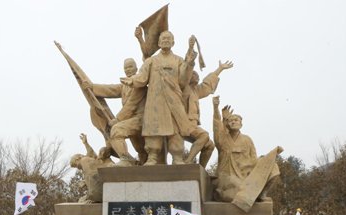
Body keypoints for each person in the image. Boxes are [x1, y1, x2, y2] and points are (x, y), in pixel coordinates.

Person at [123, 30, 207, 165]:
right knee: (154, 129)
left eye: (168, 39)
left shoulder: (179, 60)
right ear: (158, 42)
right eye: (163, 38)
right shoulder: (151, 61)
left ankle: (177, 158)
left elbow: (183, 81)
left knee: (175, 131)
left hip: (173, 101)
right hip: (155, 102)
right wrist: (132, 80)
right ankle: (152, 157)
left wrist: (189, 63)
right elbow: (142, 77)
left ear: (173, 42)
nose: (165, 40)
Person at [211, 96, 282, 211]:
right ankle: (252, 193)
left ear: (241, 124)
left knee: (273, 167)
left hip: (245, 173)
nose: (233, 121)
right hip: (228, 176)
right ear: (227, 124)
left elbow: (253, 159)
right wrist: (216, 108)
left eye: (236, 120)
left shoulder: (247, 140)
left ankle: (261, 193)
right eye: (231, 120)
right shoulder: (223, 140)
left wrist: (266, 160)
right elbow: (217, 129)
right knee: (237, 191)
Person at [82, 58, 147, 165]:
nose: (128, 70)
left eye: (130, 66)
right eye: (125, 68)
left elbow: (131, 105)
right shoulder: (125, 85)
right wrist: (92, 87)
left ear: (136, 68)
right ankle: (140, 165)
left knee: (116, 130)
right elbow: (111, 89)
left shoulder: (139, 85)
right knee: (140, 149)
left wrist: (117, 119)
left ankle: (126, 160)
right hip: (130, 121)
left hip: (140, 119)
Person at [182, 60, 233, 166]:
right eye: (194, 75)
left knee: (210, 145)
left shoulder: (196, 91)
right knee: (204, 135)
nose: (197, 77)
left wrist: (220, 69)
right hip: (182, 123)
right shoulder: (182, 89)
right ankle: (187, 161)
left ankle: (200, 169)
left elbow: (207, 84)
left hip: (192, 124)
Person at [69, 133, 115, 203]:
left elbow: (92, 177)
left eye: (76, 165)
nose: (78, 168)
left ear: (77, 159)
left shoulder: (84, 161)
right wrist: (85, 143)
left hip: (103, 191)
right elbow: (92, 155)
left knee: (82, 201)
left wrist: (91, 196)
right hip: (106, 188)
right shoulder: (90, 161)